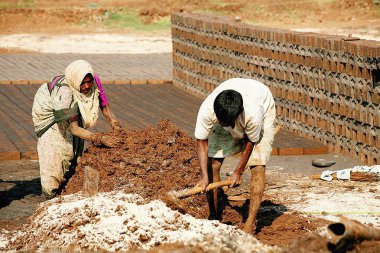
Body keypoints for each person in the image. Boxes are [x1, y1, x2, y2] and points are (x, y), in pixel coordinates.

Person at [194, 77, 276, 234]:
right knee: (214, 164)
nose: (229, 127)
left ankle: (249, 224)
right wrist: (204, 176)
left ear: (238, 114)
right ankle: (214, 216)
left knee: (258, 165)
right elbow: (202, 142)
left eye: (231, 123)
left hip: (262, 105)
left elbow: (251, 142)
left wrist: (238, 172)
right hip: (229, 110)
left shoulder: (253, 113)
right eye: (224, 123)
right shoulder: (207, 110)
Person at [32, 59, 121, 198]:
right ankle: (51, 190)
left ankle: (69, 181)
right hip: (50, 115)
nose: (86, 86)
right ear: (75, 81)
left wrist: (115, 123)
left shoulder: (95, 81)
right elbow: (73, 129)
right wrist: (100, 138)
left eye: (88, 82)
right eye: (83, 83)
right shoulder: (65, 92)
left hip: (71, 110)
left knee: (75, 151)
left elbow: (104, 106)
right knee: (58, 149)